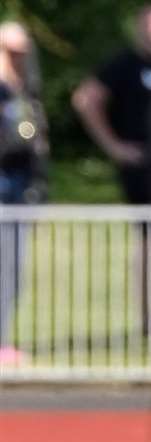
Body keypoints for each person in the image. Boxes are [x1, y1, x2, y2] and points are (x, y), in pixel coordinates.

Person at [71, 4, 151, 340]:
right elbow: (84, 99)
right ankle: (149, 323)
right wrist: (114, 147)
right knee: (146, 244)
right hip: (144, 170)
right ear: (139, 28)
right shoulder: (121, 65)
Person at [0, 20, 48, 367]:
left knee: (12, 268)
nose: (17, 60)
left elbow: (34, 141)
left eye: (22, 54)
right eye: (9, 53)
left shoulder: (27, 92)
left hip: (21, 187)